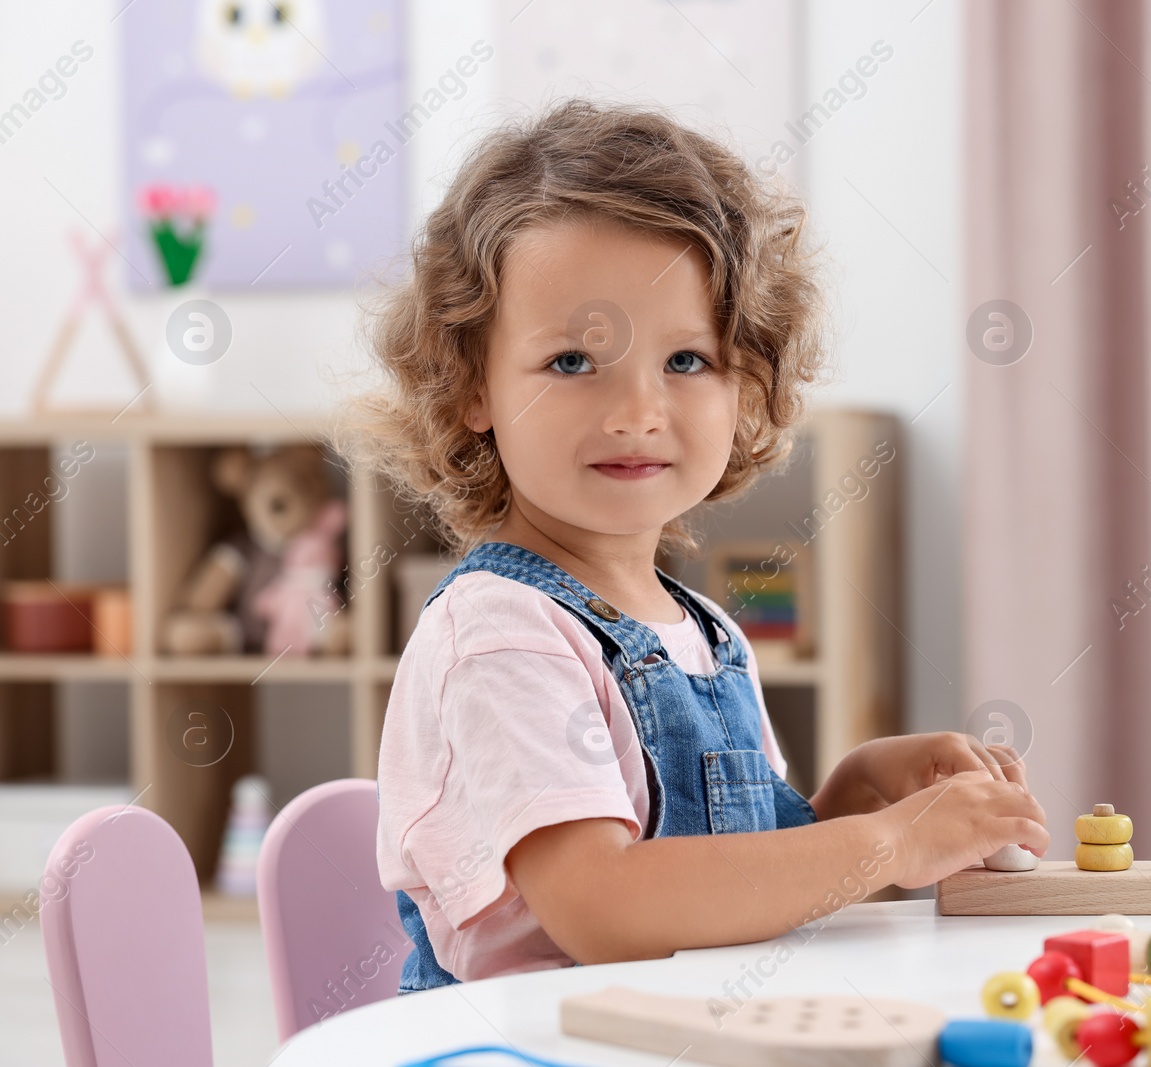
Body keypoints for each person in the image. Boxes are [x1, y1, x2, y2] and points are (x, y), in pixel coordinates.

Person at [341, 99, 1048, 992]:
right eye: (572, 361)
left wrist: (859, 794)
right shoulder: (500, 636)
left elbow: (729, 881)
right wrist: (887, 841)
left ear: (744, 382)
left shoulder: (704, 629)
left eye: (686, 361)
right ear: (470, 385)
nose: (638, 410)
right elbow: (606, 906)